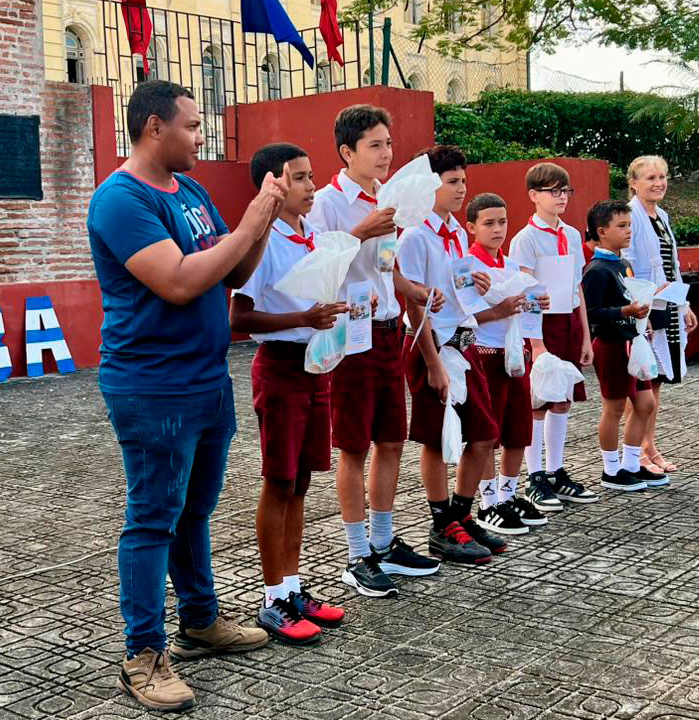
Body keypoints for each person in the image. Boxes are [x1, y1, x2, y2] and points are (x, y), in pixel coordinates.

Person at [87, 80, 282, 712]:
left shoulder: (191, 192)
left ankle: (200, 619)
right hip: (153, 385)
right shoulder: (122, 200)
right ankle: (143, 654)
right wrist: (249, 222)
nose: (202, 137)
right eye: (193, 126)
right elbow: (176, 281)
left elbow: (234, 270)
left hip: (206, 378)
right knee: (152, 518)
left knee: (194, 510)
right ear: (154, 127)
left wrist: (263, 222)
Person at [307, 104, 442, 598]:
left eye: (388, 144)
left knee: (391, 440)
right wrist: (361, 230)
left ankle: (384, 543)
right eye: (375, 146)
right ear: (347, 152)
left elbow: (386, 267)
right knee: (354, 445)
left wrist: (414, 290)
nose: (386, 154)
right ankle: (356, 553)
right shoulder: (328, 203)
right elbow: (317, 265)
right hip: (351, 336)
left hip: (388, 330)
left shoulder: (389, 196)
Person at [230, 143, 348, 646]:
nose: (311, 186)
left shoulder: (312, 236)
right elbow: (239, 317)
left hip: (315, 366)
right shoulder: (263, 240)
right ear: (272, 185)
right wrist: (303, 317)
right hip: (280, 368)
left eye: (311, 175)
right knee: (278, 482)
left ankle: (293, 588)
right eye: (298, 178)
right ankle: (271, 597)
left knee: (301, 482)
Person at [397, 147, 508, 565]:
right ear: (430, 186)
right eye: (452, 181)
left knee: (484, 434)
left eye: (464, 180)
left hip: (464, 343)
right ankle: (441, 524)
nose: (462, 189)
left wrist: (477, 287)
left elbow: (456, 289)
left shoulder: (457, 233)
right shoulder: (414, 236)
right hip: (432, 346)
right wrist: (432, 363)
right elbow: (414, 305)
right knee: (436, 437)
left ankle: (461, 514)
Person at [507, 162, 598, 512]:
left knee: (563, 398)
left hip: (568, 322)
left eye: (566, 191)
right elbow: (526, 291)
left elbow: (577, 288)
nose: (561, 197)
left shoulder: (572, 235)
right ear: (534, 195)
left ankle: (556, 470)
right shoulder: (526, 239)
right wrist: (536, 344)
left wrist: (585, 336)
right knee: (539, 400)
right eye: (553, 191)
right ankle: (534, 476)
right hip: (540, 327)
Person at [466, 192, 551, 532]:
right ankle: (487, 503)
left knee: (518, 429)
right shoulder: (468, 267)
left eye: (502, 222)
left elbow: (524, 311)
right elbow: (464, 316)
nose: (497, 229)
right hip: (484, 354)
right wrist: (498, 310)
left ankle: (508, 494)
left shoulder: (512, 267)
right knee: (487, 434)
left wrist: (536, 303)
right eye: (488, 223)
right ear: (471, 227)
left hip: (515, 355)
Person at [581, 200, 669, 492]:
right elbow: (590, 313)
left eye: (630, 225)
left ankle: (631, 464)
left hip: (633, 342)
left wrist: (643, 314)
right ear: (601, 231)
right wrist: (625, 312)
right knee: (614, 408)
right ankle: (610, 470)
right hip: (611, 344)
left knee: (645, 403)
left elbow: (630, 298)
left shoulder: (624, 264)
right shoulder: (596, 269)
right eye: (621, 226)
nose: (629, 231)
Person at [622, 156, 698, 474]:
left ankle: (649, 444)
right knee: (641, 382)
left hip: (667, 304)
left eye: (662, 177)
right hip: (644, 307)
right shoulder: (630, 216)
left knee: (656, 382)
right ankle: (634, 451)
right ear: (634, 183)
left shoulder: (662, 216)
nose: (659, 183)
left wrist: (684, 305)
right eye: (651, 177)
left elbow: (672, 265)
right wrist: (640, 307)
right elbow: (626, 264)